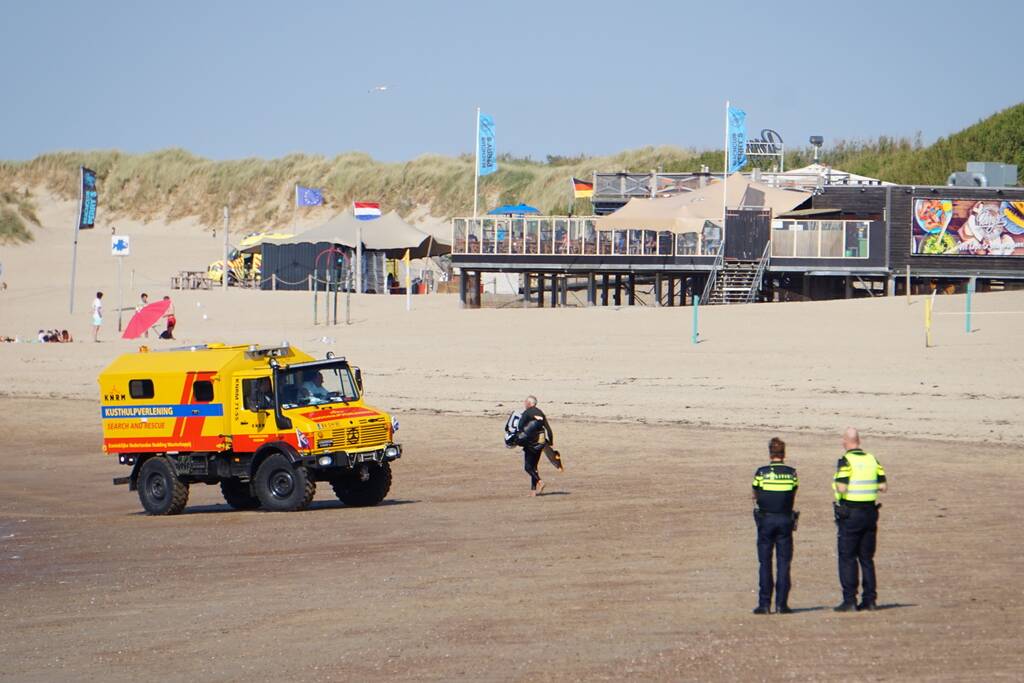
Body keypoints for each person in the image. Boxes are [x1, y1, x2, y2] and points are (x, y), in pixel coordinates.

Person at [832, 427, 888, 612]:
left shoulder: (846, 461)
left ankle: (850, 600)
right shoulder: (873, 459)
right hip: (870, 513)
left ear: (845, 442)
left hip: (851, 513)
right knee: (866, 558)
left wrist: (836, 485)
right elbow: (883, 486)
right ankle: (870, 600)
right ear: (859, 441)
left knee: (847, 557)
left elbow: (841, 487)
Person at [751, 437, 799, 615]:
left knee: (765, 563)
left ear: (770, 453)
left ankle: (764, 604)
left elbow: (756, 493)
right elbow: (793, 491)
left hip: (766, 520)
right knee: (783, 563)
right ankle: (782, 604)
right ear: (783, 453)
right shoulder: (791, 473)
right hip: (785, 519)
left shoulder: (761, 472)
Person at [517, 395, 553, 496]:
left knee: (528, 467)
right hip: (540, 442)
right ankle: (533, 491)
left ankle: (540, 482)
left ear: (529, 403)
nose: (524, 404)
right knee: (534, 467)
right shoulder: (540, 412)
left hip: (530, 443)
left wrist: (517, 440)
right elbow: (548, 429)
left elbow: (520, 427)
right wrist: (550, 443)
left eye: (525, 403)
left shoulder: (527, 413)